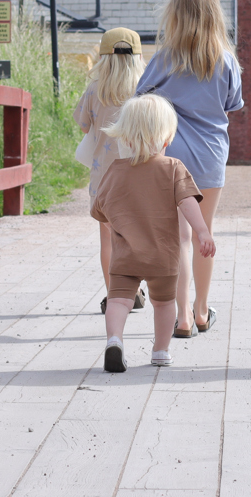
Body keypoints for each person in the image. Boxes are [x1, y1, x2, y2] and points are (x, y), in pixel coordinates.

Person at [134, 0, 243, 337]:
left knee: (178, 237)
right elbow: (232, 105)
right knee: (203, 233)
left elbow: (140, 97)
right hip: (211, 154)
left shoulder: (165, 59)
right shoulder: (227, 61)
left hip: (172, 155)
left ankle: (180, 317)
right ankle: (200, 311)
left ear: (175, 15)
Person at [91, 95, 216, 371]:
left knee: (119, 301)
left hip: (126, 255)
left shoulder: (116, 170)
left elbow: (100, 209)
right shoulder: (173, 168)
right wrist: (202, 231)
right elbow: (187, 202)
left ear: (126, 136)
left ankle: (115, 339)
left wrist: (118, 226)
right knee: (163, 304)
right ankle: (160, 351)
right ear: (167, 138)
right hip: (163, 255)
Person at [73, 27, 147, 315]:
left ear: (104, 57)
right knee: (138, 235)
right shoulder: (145, 88)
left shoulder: (95, 88)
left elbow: (83, 125)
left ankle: (115, 296)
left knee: (108, 239)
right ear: (138, 56)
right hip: (140, 175)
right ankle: (138, 288)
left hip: (104, 176)